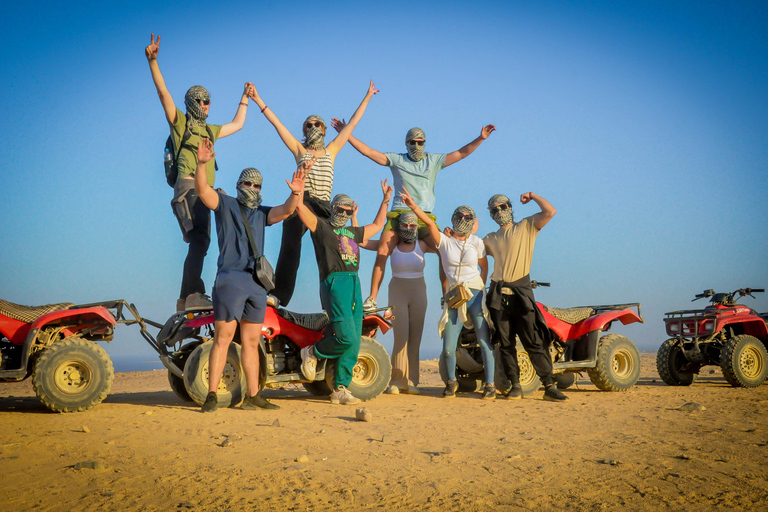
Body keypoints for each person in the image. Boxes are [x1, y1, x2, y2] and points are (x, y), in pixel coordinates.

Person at [330, 120, 496, 312]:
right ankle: (372, 298)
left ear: (424, 143)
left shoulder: (433, 161)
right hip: (399, 214)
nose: (416, 146)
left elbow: (461, 153)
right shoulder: (397, 160)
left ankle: (446, 296)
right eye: (412, 142)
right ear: (406, 143)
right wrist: (346, 133)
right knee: (383, 250)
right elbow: (368, 152)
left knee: (444, 249)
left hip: (423, 216)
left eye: (420, 142)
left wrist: (481, 138)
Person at [193, 139, 309, 412]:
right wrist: (201, 164)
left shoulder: (262, 213)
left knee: (252, 341)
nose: (253, 189)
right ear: (238, 185)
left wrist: (296, 193)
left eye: (257, 185)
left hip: (257, 286)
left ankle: (254, 395)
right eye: (248, 184)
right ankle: (211, 394)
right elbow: (202, 190)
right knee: (223, 337)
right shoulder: (225, 204)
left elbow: (288, 210)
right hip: (230, 280)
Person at [145, 33, 253, 312]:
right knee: (201, 239)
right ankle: (194, 293)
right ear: (192, 102)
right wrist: (153, 63)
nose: (206, 106)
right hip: (189, 187)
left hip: (205, 192)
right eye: (202, 101)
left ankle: (185, 299)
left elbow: (238, 124)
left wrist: (245, 97)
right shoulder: (181, 123)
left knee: (202, 240)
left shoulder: (210, 131)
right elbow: (163, 94)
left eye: (208, 101)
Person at [247, 82, 379, 306]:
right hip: (303, 201)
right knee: (290, 246)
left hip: (326, 206)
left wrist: (367, 97)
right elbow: (277, 124)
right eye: (309, 125)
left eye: (318, 124)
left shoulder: (332, 150)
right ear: (304, 130)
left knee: (339, 246)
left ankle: (343, 297)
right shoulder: (300, 150)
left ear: (325, 130)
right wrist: (258, 99)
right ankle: (279, 296)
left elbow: (353, 124)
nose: (314, 127)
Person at [297, 182, 392, 405]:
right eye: (340, 209)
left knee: (355, 340)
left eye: (348, 211)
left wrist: (386, 199)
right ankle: (312, 352)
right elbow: (301, 209)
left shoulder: (353, 232)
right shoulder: (322, 227)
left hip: (354, 283)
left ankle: (340, 388)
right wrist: (298, 191)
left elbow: (378, 224)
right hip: (334, 282)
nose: (344, 214)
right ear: (333, 208)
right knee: (345, 336)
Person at [399, 189, 496, 399]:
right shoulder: (443, 241)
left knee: (484, 342)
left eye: (467, 218)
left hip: (476, 295)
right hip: (455, 297)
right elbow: (430, 224)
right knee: (449, 347)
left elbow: (484, 267)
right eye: (460, 217)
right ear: (453, 219)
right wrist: (413, 206)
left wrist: (482, 286)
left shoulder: (477, 243)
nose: (463, 220)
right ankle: (452, 382)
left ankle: (490, 385)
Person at [482, 192, 567, 402]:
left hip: (522, 293)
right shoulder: (489, 239)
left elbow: (550, 211)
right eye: (495, 209)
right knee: (505, 343)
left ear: (510, 207)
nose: (500, 211)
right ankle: (515, 386)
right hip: (499, 296)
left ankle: (549, 386)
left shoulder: (526, 226)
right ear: (491, 214)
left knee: (534, 341)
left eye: (503, 206)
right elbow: (465, 248)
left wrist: (533, 195)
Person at [354, 211, 436, 395]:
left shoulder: (422, 245)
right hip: (397, 290)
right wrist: (354, 220)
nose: (408, 228)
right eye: (405, 225)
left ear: (417, 227)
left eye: (413, 225)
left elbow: (443, 246)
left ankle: (412, 381)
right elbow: (361, 241)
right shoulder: (393, 246)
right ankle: (397, 381)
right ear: (399, 227)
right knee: (401, 337)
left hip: (419, 292)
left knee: (415, 338)